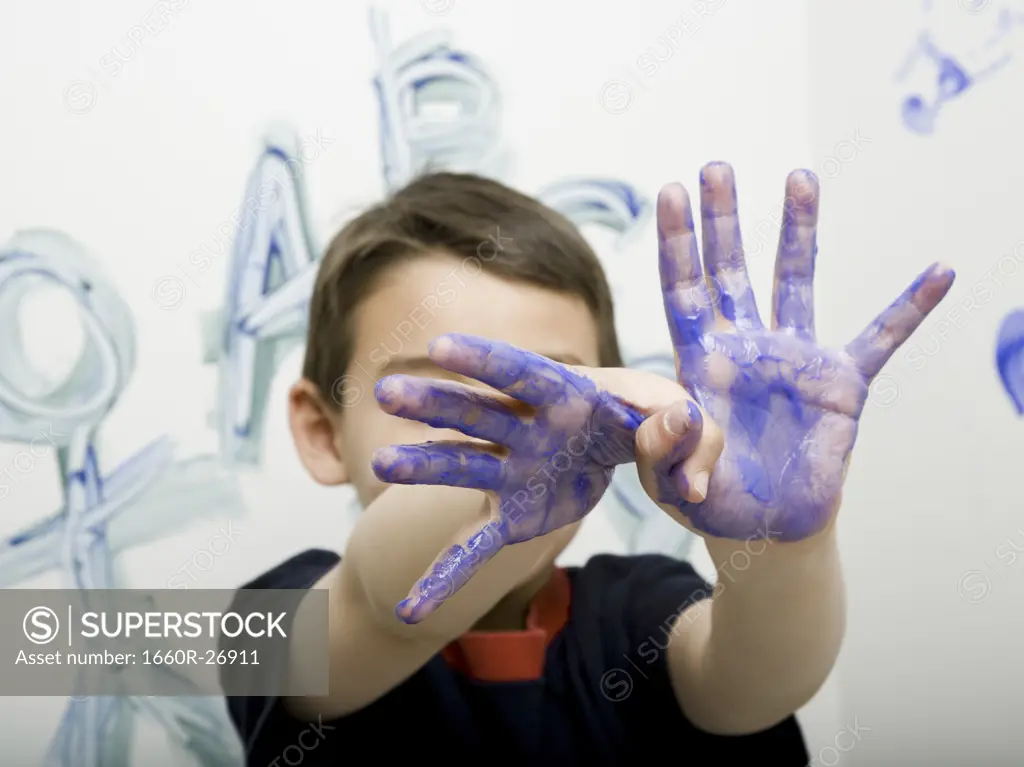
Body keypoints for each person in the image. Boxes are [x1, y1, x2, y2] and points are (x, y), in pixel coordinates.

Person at [223, 165, 953, 764]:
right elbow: (380, 602)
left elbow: (754, 681)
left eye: (555, 393)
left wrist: (783, 546)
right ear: (323, 431)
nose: (511, 436)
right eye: (442, 397)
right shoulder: (265, 618)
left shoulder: (633, 609)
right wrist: (492, 503)